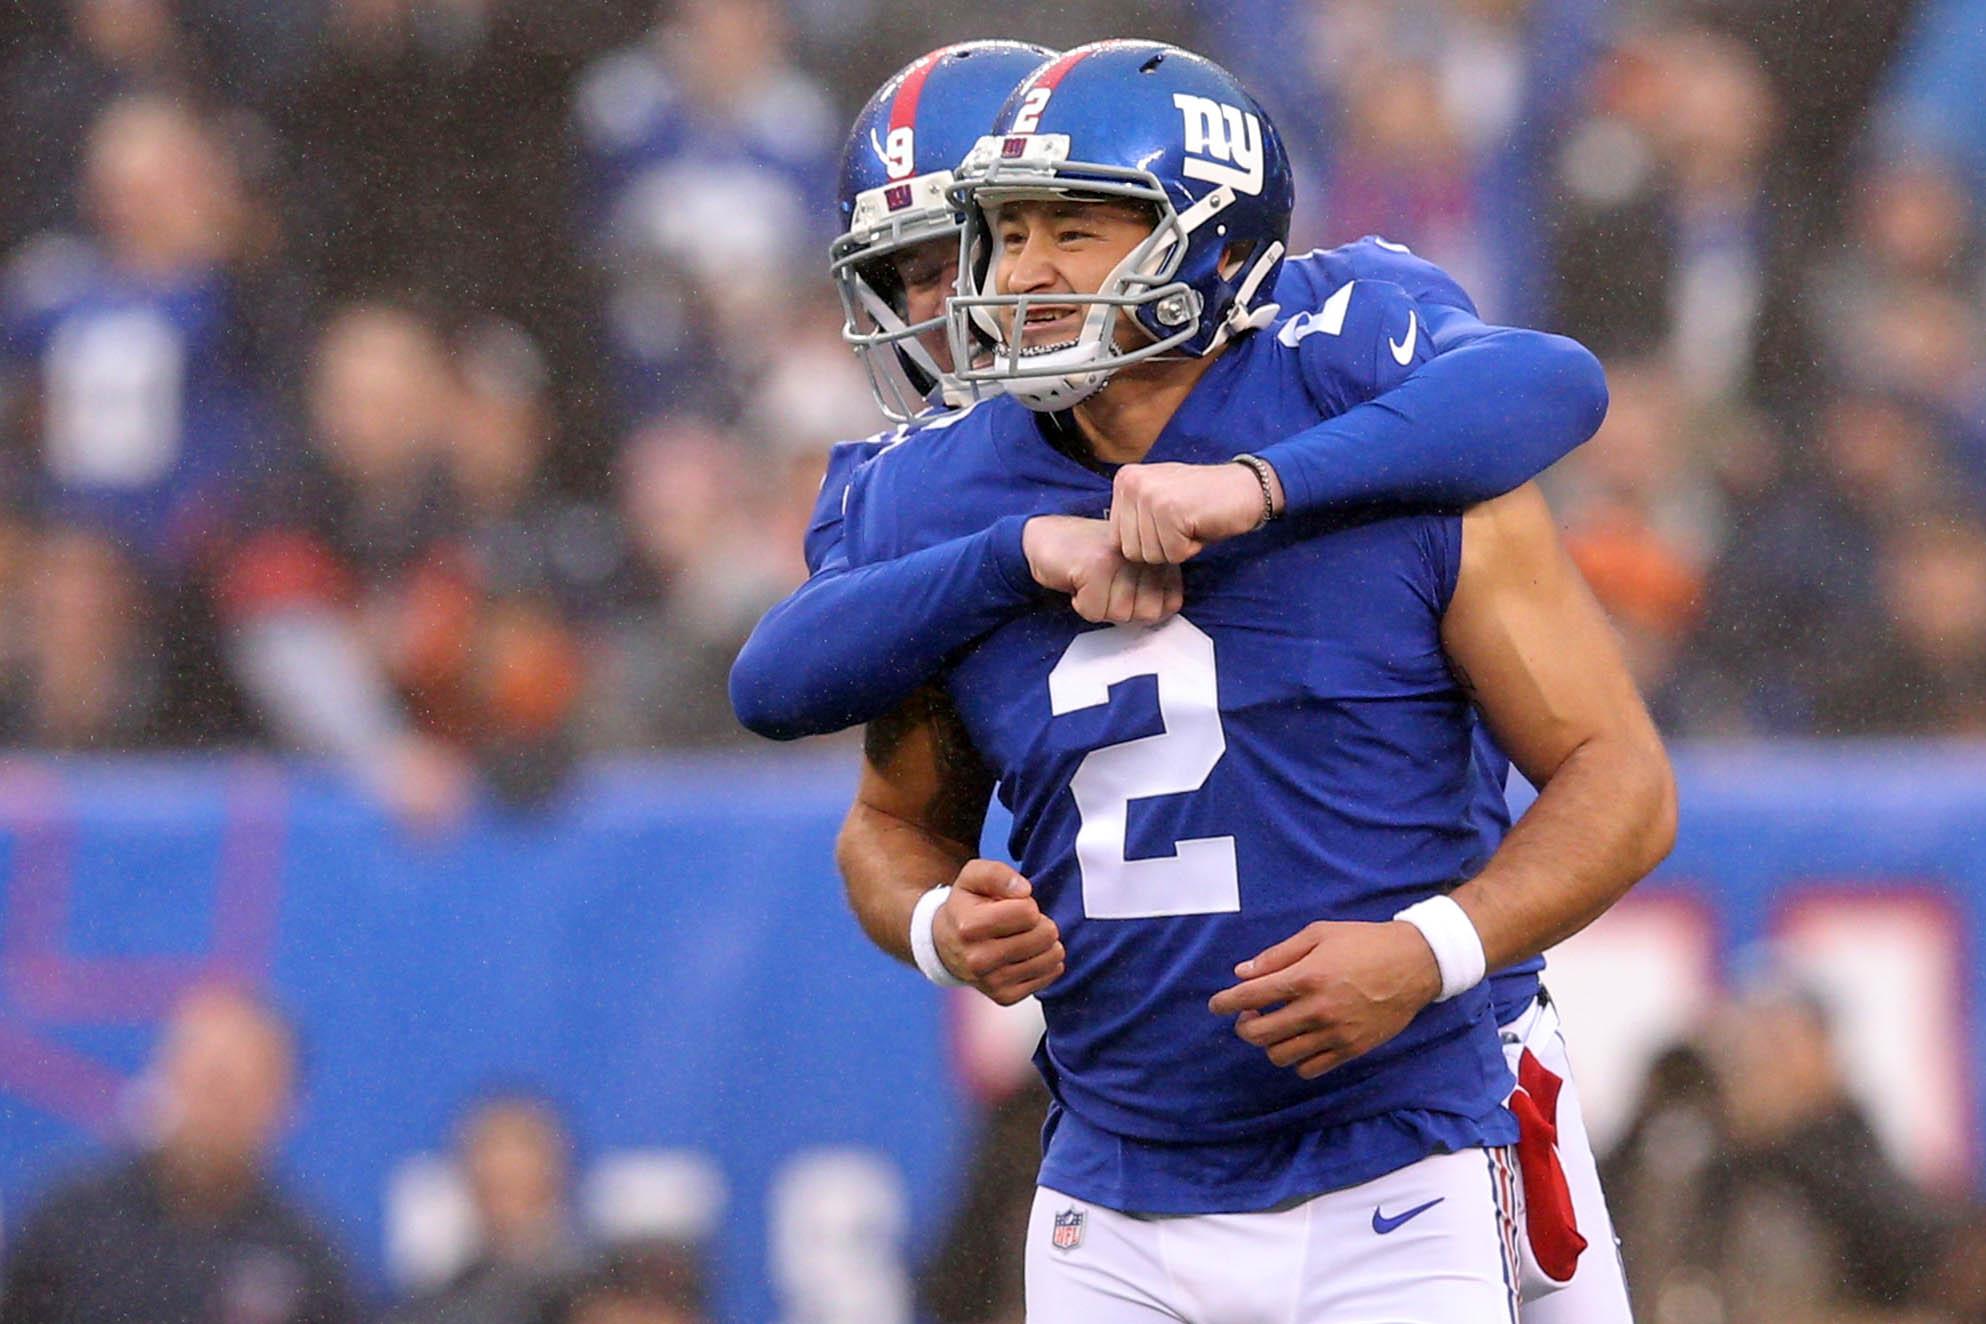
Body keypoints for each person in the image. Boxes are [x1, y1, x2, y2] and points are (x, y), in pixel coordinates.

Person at [731, 38, 1641, 1324]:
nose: (970, 301)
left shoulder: (1337, 350)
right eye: (930, 266)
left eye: (997, 243)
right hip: (1122, 1161)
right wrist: (1013, 559)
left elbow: (1548, 385)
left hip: (1428, 1102)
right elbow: (779, 683)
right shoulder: (933, 492)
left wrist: (1262, 488)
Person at [0, 985, 361, 1324]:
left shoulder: (307, 1257)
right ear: (164, 1074)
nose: (215, 1107)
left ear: (285, 1104)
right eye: (205, 1080)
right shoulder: (69, 1221)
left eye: (238, 1088)